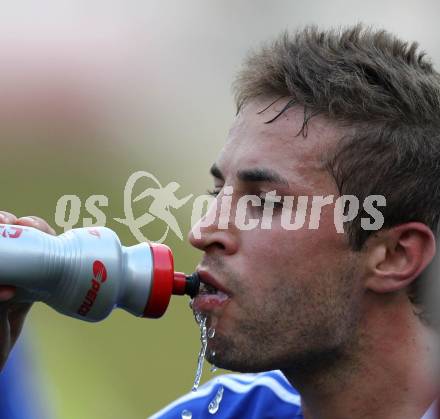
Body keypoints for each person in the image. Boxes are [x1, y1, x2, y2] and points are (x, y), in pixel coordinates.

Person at [1, 24, 439, 419]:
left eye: (264, 201)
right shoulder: (222, 413)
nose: (202, 232)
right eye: (218, 193)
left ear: (394, 255)